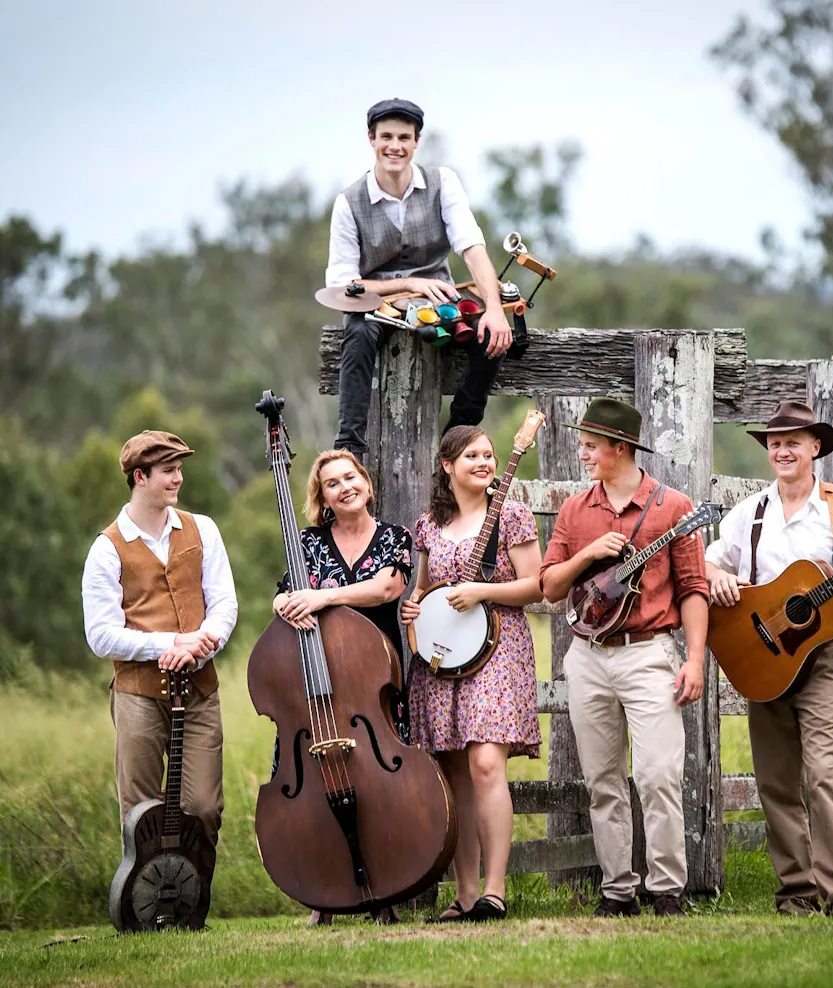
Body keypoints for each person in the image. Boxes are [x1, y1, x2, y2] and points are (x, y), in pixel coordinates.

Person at [704, 399, 833, 917]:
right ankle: (796, 892)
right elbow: (705, 564)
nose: (783, 450)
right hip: (765, 659)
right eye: (775, 443)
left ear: (815, 448)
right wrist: (717, 575)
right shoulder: (751, 513)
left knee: (825, 775)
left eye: (793, 441)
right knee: (774, 780)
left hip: (824, 658)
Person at [538, 398, 709, 918]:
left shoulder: (673, 507)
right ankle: (617, 891)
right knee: (602, 781)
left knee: (658, 774)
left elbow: (694, 588)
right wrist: (588, 555)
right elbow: (548, 587)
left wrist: (695, 659)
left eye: (591, 446)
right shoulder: (574, 510)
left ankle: (667, 890)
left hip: (649, 653)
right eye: (582, 445)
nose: (583, 454)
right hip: (587, 656)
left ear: (620, 447)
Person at [401, 426, 543, 923]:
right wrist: (412, 610)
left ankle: (495, 890)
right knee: (454, 772)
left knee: (486, 765)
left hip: (499, 652)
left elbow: (535, 586)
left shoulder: (512, 514)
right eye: (472, 455)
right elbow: (424, 591)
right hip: (442, 658)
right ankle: (463, 895)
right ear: (447, 465)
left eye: (489, 454)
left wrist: (484, 591)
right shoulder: (427, 525)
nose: (484, 462)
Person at [271, 449, 414, 926]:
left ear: (367, 485)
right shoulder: (308, 543)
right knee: (318, 790)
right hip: (319, 690)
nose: (344, 486)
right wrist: (283, 603)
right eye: (331, 483)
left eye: (350, 477)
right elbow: (285, 590)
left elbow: (385, 589)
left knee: (384, 789)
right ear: (323, 498)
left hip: (375, 692)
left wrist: (322, 595)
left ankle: (386, 892)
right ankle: (325, 894)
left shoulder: (395, 537)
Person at [325, 97, 512, 457]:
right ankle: (349, 448)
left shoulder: (443, 182)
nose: (395, 146)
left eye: (404, 138)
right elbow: (341, 285)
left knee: (492, 336)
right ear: (371, 139)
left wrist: (493, 307)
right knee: (358, 334)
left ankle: (458, 439)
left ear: (416, 142)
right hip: (377, 305)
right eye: (386, 137)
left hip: (438, 298)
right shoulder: (348, 202)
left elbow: (472, 247)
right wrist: (408, 284)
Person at [81, 430, 238, 846]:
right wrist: (168, 644)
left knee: (204, 807)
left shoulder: (203, 529)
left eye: (179, 469)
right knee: (141, 816)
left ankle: (194, 904)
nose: (178, 479)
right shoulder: (107, 549)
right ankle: (147, 909)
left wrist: (204, 642)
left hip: (200, 689)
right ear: (139, 477)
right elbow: (100, 635)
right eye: (168, 471)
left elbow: (224, 604)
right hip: (138, 694)